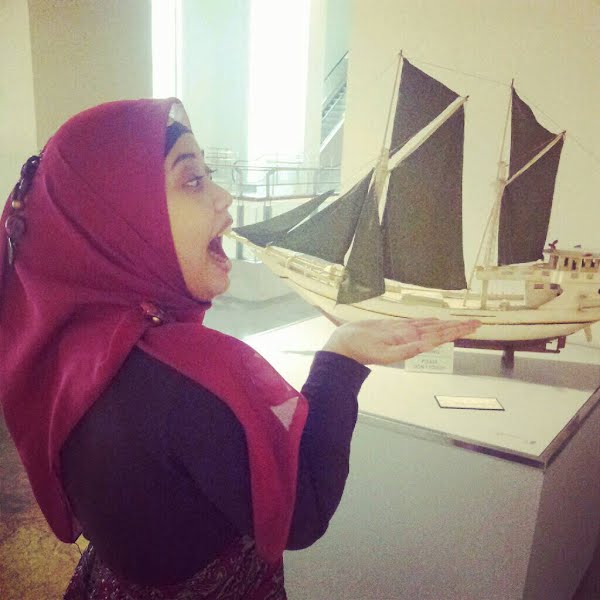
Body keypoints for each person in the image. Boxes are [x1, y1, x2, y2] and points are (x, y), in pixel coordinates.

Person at [0, 98, 479, 599]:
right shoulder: (192, 380)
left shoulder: (60, 350)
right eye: (192, 180)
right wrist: (342, 359)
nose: (224, 197)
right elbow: (302, 512)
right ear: (119, 218)